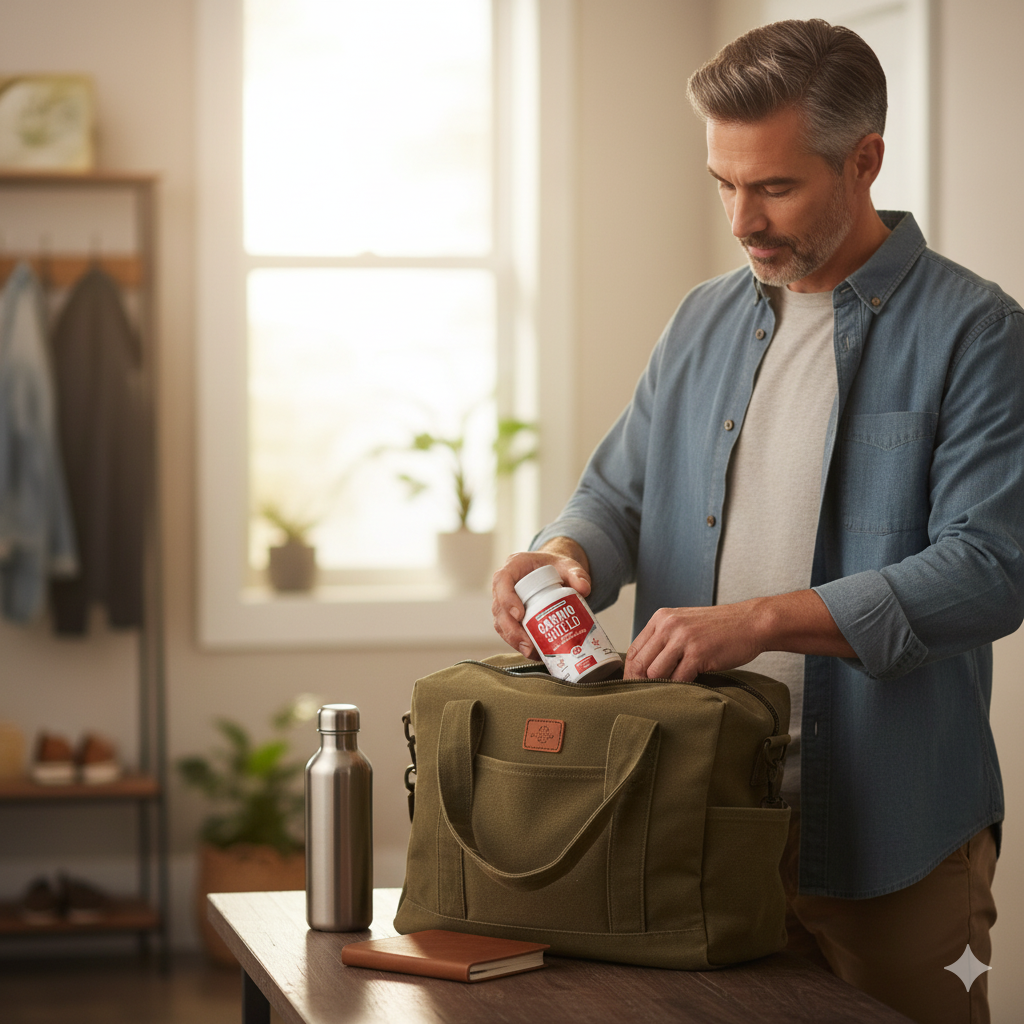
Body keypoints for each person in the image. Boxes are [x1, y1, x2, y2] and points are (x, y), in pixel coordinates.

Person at [491, 18, 1024, 1024]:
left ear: (863, 159)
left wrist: (758, 618)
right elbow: (616, 494)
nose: (741, 219)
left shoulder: (979, 334)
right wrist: (563, 556)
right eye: (723, 184)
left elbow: (992, 566)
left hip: (897, 837)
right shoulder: (699, 318)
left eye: (773, 186)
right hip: (694, 811)